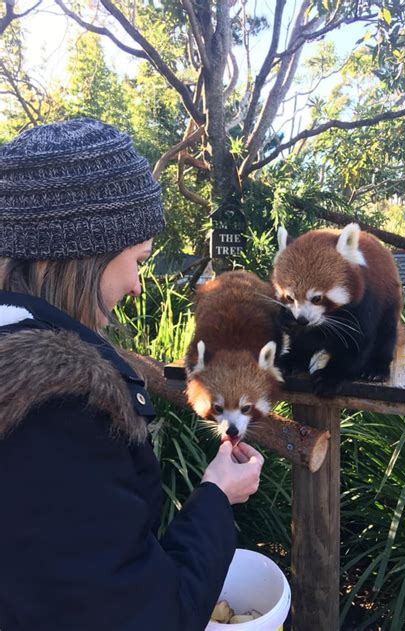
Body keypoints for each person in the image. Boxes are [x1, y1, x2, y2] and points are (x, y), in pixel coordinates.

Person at [0, 118, 264, 631]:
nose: (139, 286)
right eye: (138, 260)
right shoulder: (58, 411)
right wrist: (217, 494)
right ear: (86, 254)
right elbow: (143, 614)